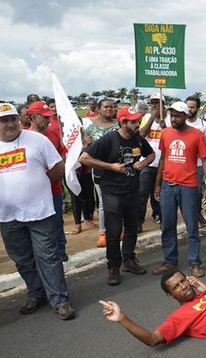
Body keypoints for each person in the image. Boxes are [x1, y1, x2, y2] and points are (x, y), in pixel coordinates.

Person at [0, 103, 75, 320]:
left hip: (41, 212)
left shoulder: (38, 140)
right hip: (9, 216)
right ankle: (36, 294)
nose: (10, 123)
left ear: (19, 119)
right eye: (3, 120)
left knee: (48, 257)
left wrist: (39, 184)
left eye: (13, 118)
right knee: (22, 258)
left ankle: (60, 300)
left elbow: (58, 166)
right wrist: (6, 190)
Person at [80, 106, 154, 285]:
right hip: (112, 192)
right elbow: (84, 158)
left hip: (133, 191)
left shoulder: (137, 139)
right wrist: (110, 166)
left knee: (132, 227)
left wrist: (143, 163)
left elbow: (151, 154)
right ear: (123, 122)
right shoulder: (109, 140)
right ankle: (113, 266)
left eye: (138, 121)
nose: (137, 124)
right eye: (134, 121)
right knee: (113, 231)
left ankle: (129, 259)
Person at [153, 101, 206, 278]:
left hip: (189, 187)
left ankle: (194, 262)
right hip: (168, 186)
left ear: (186, 116)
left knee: (192, 226)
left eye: (178, 116)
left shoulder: (197, 135)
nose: (174, 119)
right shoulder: (166, 133)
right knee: (168, 226)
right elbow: (163, 158)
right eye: (172, 115)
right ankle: (170, 261)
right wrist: (157, 183)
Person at [27, 101, 69, 261]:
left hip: (54, 188)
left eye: (49, 117)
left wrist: (51, 176)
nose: (48, 120)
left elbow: (62, 156)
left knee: (57, 221)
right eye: (44, 117)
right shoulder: (23, 137)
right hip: (33, 192)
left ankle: (60, 249)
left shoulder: (52, 133)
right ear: (33, 117)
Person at [83, 98, 120, 247]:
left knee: (119, 201)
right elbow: (85, 151)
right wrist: (86, 144)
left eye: (112, 107)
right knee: (103, 203)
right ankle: (103, 232)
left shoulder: (119, 125)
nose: (110, 109)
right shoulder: (91, 128)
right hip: (99, 170)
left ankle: (119, 228)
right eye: (106, 107)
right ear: (99, 108)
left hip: (118, 168)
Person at [138, 93, 166, 231]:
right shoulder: (146, 118)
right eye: (152, 103)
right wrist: (152, 118)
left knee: (161, 193)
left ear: (163, 105)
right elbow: (142, 134)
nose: (154, 105)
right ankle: (138, 222)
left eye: (157, 103)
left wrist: (164, 125)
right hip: (148, 162)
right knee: (143, 193)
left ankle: (160, 216)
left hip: (164, 163)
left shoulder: (170, 120)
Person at [185, 96, 206, 225]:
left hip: (198, 164)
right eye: (188, 106)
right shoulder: (179, 123)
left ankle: (197, 212)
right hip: (182, 164)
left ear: (197, 108)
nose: (190, 109)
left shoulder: (203, 125)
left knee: (197, 191)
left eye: (192, 107)